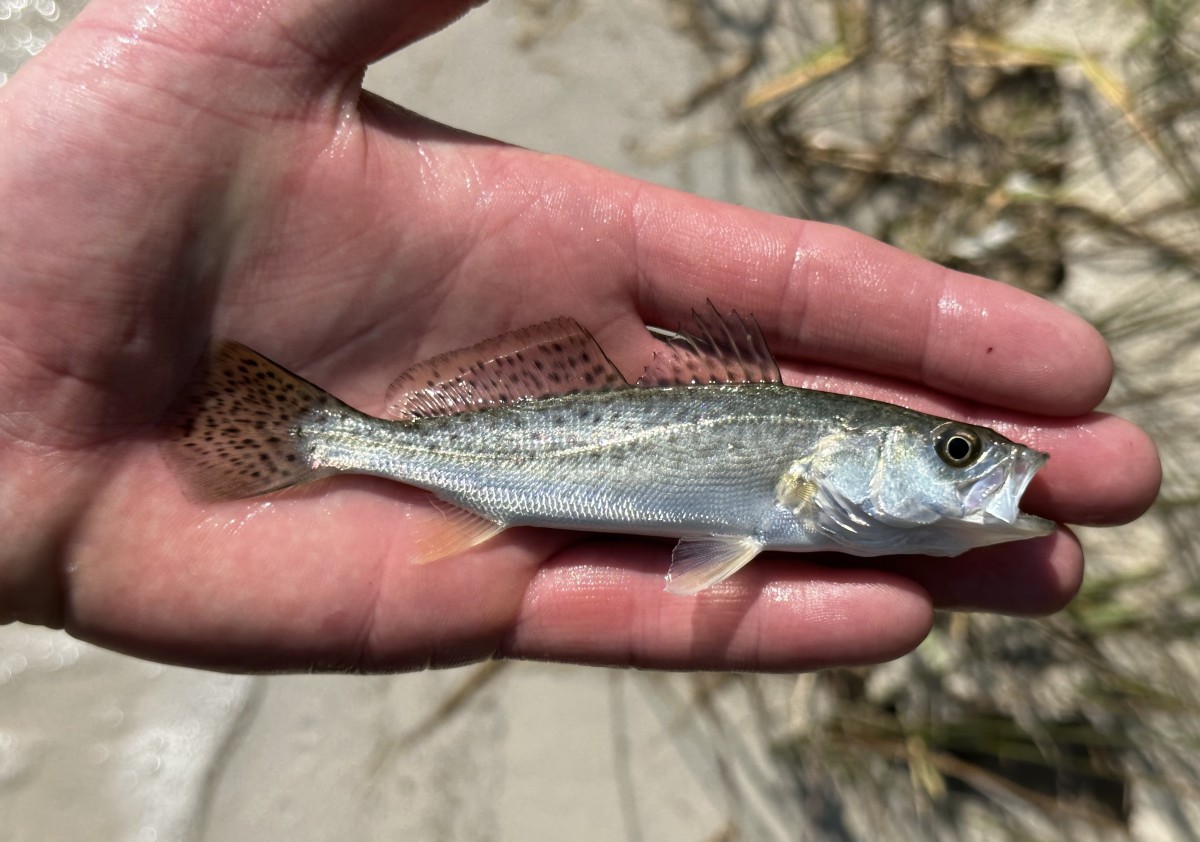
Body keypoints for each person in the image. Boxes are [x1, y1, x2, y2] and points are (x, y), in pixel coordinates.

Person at [0, 0, 1159, 672]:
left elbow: (726, 547)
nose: (986, 462)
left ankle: (325, 439)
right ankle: (323, 437)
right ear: (847, 454)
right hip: (435, 444)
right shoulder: (806, 476)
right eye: (957, 449)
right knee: (351, 440)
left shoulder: (819, 491)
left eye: (963, 452)